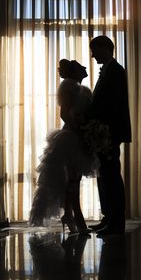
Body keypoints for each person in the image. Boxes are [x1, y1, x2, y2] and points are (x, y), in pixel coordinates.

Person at [29, 59, 98, 234]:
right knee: (72, 182)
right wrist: (80, 129)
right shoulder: (69, 86)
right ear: (75, 71)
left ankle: (69, 215)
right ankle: (77, 219)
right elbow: (64, 114)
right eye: (80, 66)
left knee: (73, 181)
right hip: (71, 137)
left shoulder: (82, 89)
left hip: (80, 136)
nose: (84, 67)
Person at [88, 35, 132, 235]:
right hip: (102, 133)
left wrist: (92, 119)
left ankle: (116, 222)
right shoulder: (108, 70)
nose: (92, 54)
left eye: (94, 49)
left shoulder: (116, 71)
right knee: (104, 176)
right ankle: (109, 218)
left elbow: (114, 105)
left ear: (106, 48)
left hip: (109, 133)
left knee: (112, 177)